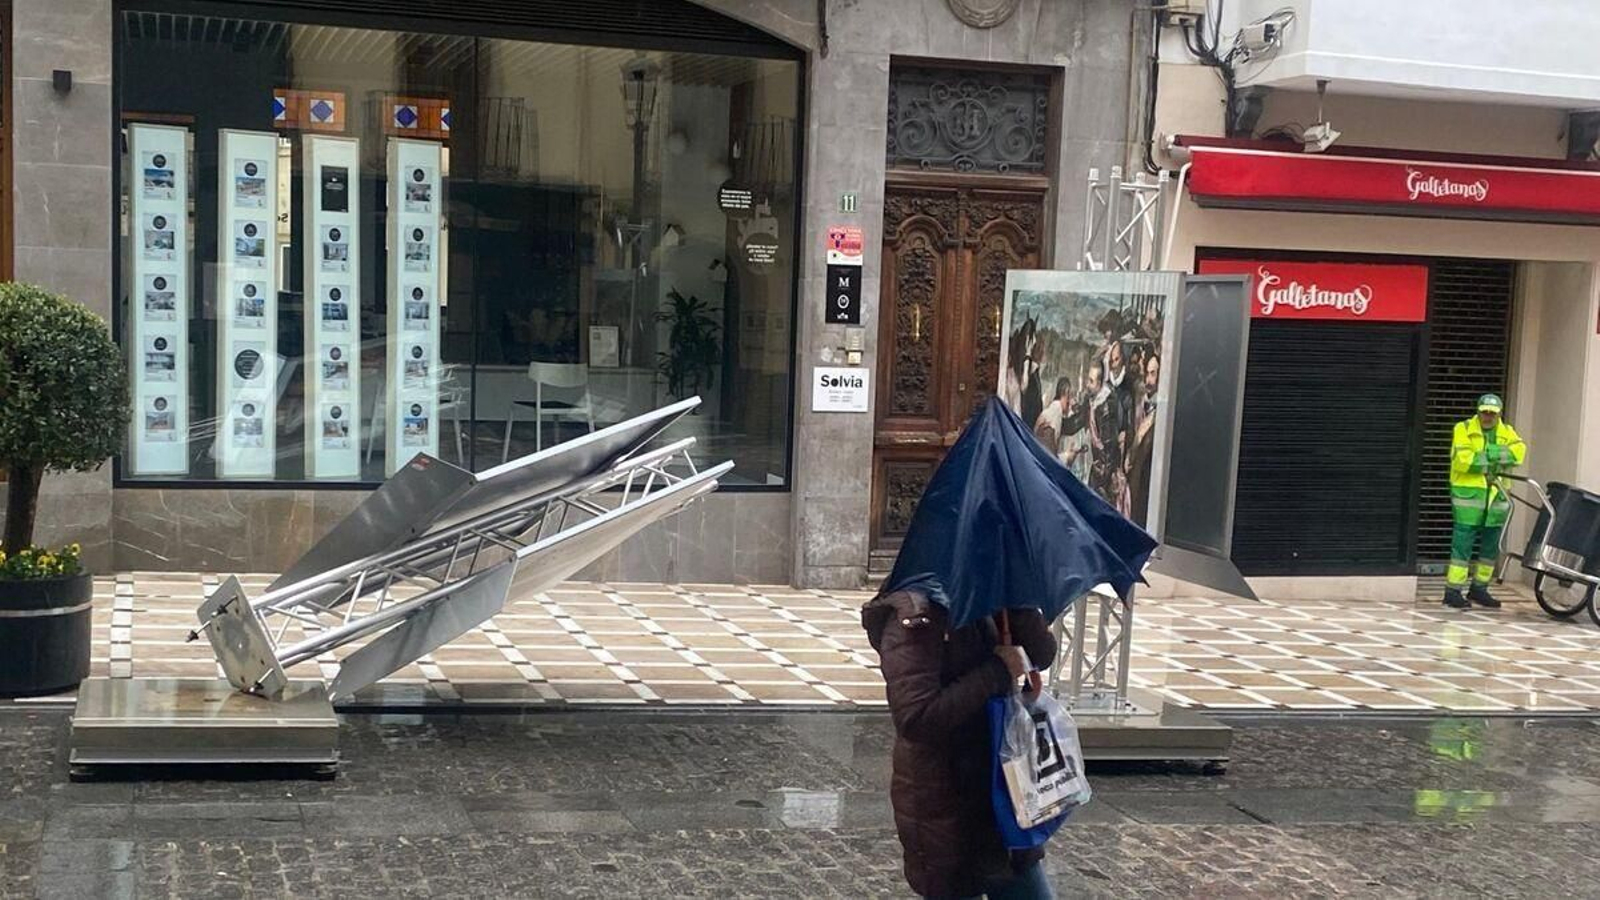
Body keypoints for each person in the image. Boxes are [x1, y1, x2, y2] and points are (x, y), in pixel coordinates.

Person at [863, 589, 1058, 900]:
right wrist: (997, 670)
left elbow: (1043, 653)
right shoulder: (914, 615)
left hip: (1006, 791)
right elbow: (916, 717)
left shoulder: (993, 592)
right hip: (947, 803)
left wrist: (1016, 598)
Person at [1444, 393, 1527, 609]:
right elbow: (1464, 461)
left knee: (1490, 548)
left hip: (1496, 498)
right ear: (1478, 411)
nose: (1488, 416)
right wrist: (1498, 455)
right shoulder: (1463, 429)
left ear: (1499, 413)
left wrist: (1486, 453)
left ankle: (1479, 589)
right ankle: (1452, 592)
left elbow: (1519, 454)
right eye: (1484, 412)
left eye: (1492, 413)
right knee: (1462, 547)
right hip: (1469, 498)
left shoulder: (1507, 432)